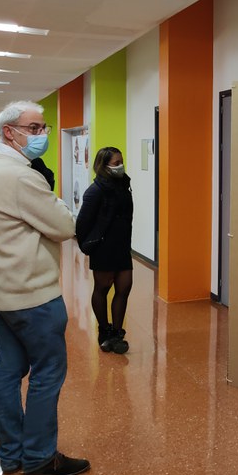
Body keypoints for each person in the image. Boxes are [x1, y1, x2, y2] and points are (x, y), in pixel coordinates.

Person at [0, 100, 89, 475]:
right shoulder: (20, 176)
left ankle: (11, 454)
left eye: (43, 128)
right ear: (9, 132)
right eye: (34, 128)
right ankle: (39, 457)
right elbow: (64, 225)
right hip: (33, 297)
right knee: (47, 373)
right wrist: (58, 206)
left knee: (8, 372)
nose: (42, 135)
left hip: (4, 292)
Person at [75, 147, 134, 354]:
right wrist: (88, 246)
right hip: (104, 247)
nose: (120, 166)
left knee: (124, 288)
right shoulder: (95, 190)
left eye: (121, 162)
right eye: (116, 163)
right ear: (104, 165)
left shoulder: (123, 184)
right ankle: (104, 330)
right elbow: (82, 224)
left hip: (122, 246)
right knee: (102, 289)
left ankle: (117, 334)